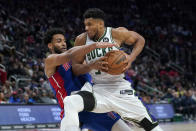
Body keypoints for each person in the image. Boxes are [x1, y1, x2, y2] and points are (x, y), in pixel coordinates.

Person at [70, 8, 163, 131]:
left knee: (150, 126)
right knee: (71, 102)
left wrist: (131, 58)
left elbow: (140, 40)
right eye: (85, 24)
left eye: (90, 24)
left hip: (120, 87)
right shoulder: (81, 40)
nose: (86, 28)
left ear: (100, 24)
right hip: (98, 89)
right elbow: (75, 69)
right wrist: (91, 66)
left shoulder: (116, 33)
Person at [43, 28, 132, 131]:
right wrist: (94, 45)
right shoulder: (50, 60)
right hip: (73, 110)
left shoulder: (76, 60)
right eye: (59, 41)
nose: (63, 44)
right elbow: (70, 54)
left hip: (93, 104)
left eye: (64, 41)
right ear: (50, 45)